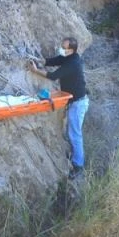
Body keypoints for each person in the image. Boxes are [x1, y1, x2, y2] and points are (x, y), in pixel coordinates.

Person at [27, 37, 89, 179]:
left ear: (71, 50)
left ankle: (78, 165)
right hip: (75, 101)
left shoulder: (73, 62)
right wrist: (39, 60)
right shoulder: (69, 57)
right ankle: (76, 156)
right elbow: (54, 61)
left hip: (78, 103)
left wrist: (35, 71)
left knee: (75, 134)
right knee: (72, 132)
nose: (61, 48)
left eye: (64, 47)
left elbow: (54, 76)